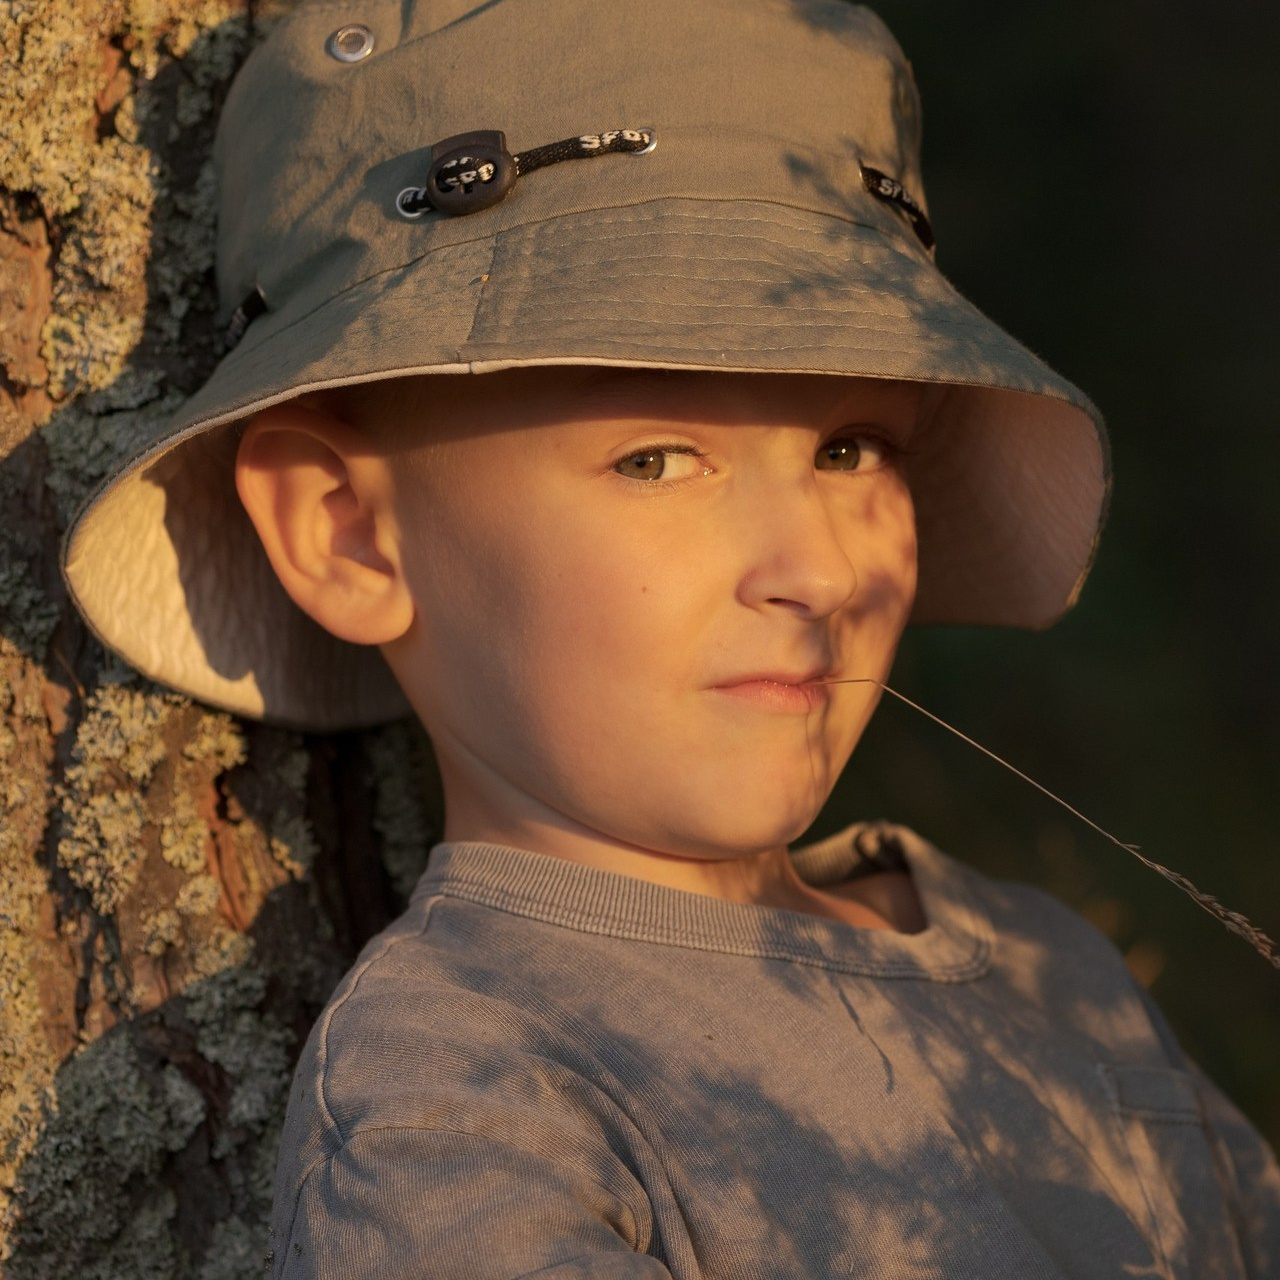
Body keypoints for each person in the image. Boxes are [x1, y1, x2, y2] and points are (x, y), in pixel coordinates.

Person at [61, 0, 1280, 1275]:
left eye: (849, 447)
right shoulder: (466, 1099)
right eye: (654, 458)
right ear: (347, 534)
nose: (813, 569)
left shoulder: (1039, 956)